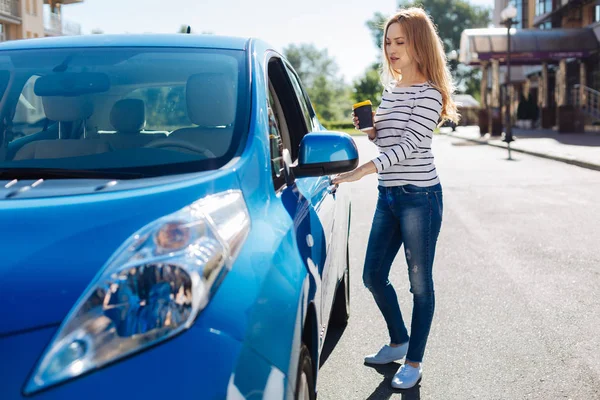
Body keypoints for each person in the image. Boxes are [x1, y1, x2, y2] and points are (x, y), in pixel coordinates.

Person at [332, 7, 459, 389]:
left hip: (420, 197)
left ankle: (414, 361)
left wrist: (361, 171)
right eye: (387, 42)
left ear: (419, 44)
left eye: (400, 41)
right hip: (389, 196)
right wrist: (372, 131)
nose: (391, 48)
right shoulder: (393, 91)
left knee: (420, 284)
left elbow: (410, 145)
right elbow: (389, 140)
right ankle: (398, 339)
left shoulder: (431, 93)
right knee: (372, 275)